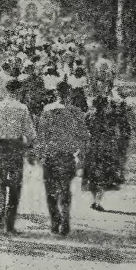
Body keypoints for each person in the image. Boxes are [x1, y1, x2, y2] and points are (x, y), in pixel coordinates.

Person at [36, 82, 90, 236]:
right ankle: (65, 220)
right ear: (70, 93)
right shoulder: (76, 112)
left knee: (50, 190)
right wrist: (82, 155)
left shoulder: (48, 110)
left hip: (50, 155)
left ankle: (55, 220)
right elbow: (84, 136)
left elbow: (42, 134)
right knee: (65, 189)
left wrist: (40, 154)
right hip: (67, 155)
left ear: (56, 93)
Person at [0, 78, 37, 234]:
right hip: (16, 147)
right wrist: (30, 147)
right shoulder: (22, 108)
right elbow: (30, 133)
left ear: (6, 90)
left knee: (0, 182)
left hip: (1, 147)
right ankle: (9, 225)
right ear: (19, 91)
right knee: (15, 186)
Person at [82, 82, 126, 211]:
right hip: (105, 149)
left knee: (93, 176)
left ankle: (95, 200)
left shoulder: (89, 116)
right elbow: (116, 132)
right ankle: (97, 201)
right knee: (102, 176)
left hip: (92, 148)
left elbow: (83, 132)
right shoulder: (109, 117)